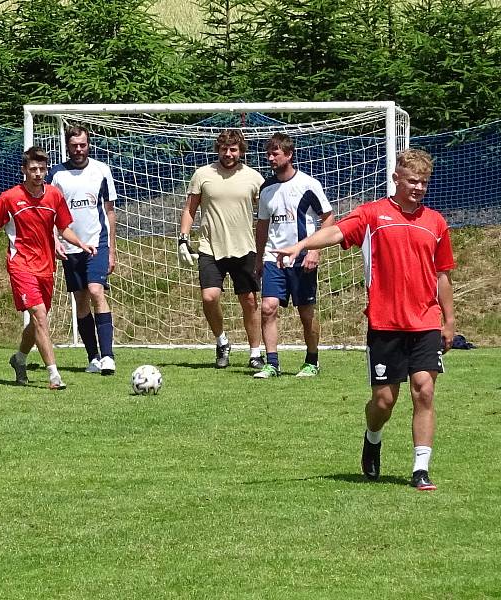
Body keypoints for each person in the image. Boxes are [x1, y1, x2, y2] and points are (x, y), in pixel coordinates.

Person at [272, 149, 455, 491]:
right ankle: (373, 437)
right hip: (385, 322)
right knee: (384, 401)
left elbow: (442, 274)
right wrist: (300, 246)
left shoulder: (436, 223)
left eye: (424, 182)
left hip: (426, 321)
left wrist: (449, 319)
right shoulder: (373, 215)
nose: (418, 187)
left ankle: (420, 469)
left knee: (424, 391)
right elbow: (337, 233)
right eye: (412, 180)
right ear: (396, 179)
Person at [0, 146, 96, 390]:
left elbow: (63, 227)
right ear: (24, 170)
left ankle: (19, 359)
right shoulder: (9, 198)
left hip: (46, 267)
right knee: (39, 314)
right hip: (20, 265)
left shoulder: (54, 196)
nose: (38, 173)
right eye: (33, 169)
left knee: (40, 319)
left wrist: (81, 243)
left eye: (42, 169)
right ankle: (54, 375)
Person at [179, 129, 265, 370]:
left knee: (249, 300)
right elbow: (190, 209)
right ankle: (222, 341)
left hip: (244, 247)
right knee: (209, 296)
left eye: (233, 149)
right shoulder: (203, 174)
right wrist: (183, 239)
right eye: (224, 149)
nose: (228, 154)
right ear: (218, 149)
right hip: (210, 247)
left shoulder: (254, 178)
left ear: (241, 151)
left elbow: (267, 212)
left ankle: (255, 353)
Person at [254, 133, 335, 378]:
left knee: (306, 311)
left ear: (289, 155)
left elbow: (329, 218)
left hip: (302, 260)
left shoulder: (308, 185)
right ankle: (272, 363)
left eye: (275, 153)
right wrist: (259, 258)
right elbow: (262, 226)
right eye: (268, 153)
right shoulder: (266, 188)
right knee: (268, 308)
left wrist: (314, 250)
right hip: (273, 258)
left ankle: (312, 360)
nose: (270, 158)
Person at [47, 126, 118, 375]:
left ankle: (108, 356)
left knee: (96, 290)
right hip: (69, 246)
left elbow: (110, 211)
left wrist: (112, 250)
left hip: (96, 244)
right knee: (80, 300)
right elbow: (49, 213)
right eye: (74, 145)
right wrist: (54, 240)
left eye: (83, 145)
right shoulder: (56, 174)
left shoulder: (101, 171)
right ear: (67, 146)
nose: (79, 149)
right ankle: (93, 357)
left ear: (89, 145)